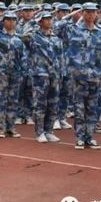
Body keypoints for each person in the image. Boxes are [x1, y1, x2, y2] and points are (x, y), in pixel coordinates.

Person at [56, 3, 101, 150]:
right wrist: (72, 14)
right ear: (82, 13)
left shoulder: (100, 34)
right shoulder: (73, 30)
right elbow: (57, 27)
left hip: (95, 76)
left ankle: (90, 137)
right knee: (79, 108)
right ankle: (80, 137)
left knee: (93, 108)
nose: (91, 15)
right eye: (87, 12)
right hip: (78, 76)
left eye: (93, 12)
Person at [0, 11, 27, 138]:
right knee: (2, 100)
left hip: (15, 72)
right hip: (1, 72)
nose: (11, 22)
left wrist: (23, 71)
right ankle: (1, 128)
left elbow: (23, 57)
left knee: (13, 101)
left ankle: (11, 128)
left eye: (14, 20)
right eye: (8, 20)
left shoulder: (18, 39)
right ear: (3, 21)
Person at [25, 12, 63, 143]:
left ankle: (49, 130)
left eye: (49, 19)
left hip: (54, 74)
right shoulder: (34, 37)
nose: (49, 21)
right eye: (45, 19)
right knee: (40, 104)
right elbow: (25, 32)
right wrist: (35, 20)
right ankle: (39, 132)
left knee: (53, 104)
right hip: (40, 75)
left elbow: (60, 57)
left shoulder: (56, 39)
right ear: (40, 22)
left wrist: (61, 73)